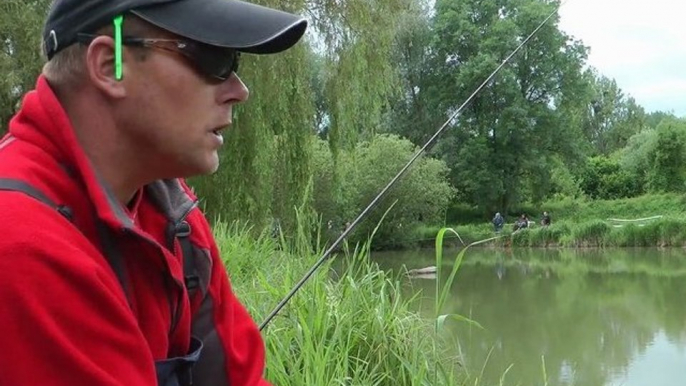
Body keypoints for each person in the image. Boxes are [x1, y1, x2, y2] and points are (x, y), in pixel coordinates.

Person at [0, 1, 306, 385]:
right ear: (110, 65)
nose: (238, 91)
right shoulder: (20, 246)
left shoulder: (172, 215)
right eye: (213, 57)